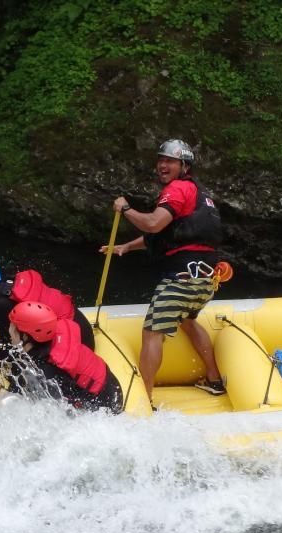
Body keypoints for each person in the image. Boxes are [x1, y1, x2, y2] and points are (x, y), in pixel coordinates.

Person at [102, 138, 225, 399]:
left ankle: (144, 398)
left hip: (181, 279)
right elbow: (167, 236)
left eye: (169, 161)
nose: (162, 165)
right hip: (205, 281)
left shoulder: (178, 190)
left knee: (152, 332)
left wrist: (126, 209)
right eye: (160, 160)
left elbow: (154, 224)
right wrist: (126, 246)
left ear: (184, 165)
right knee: (189, 322)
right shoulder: (199, 195)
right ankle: (214, 380)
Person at [6, 301, 123, 413]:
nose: (10, 336)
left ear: (25, 336)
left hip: (105, 403)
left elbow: (57, 410)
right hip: (109, 384)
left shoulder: (46, 371)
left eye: (13, 331)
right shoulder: (51, 339)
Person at [0, 257, 95, 351]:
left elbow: (11, 353)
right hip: (80, 326)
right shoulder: (8, 286)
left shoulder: (2, 306)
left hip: (79, 342)